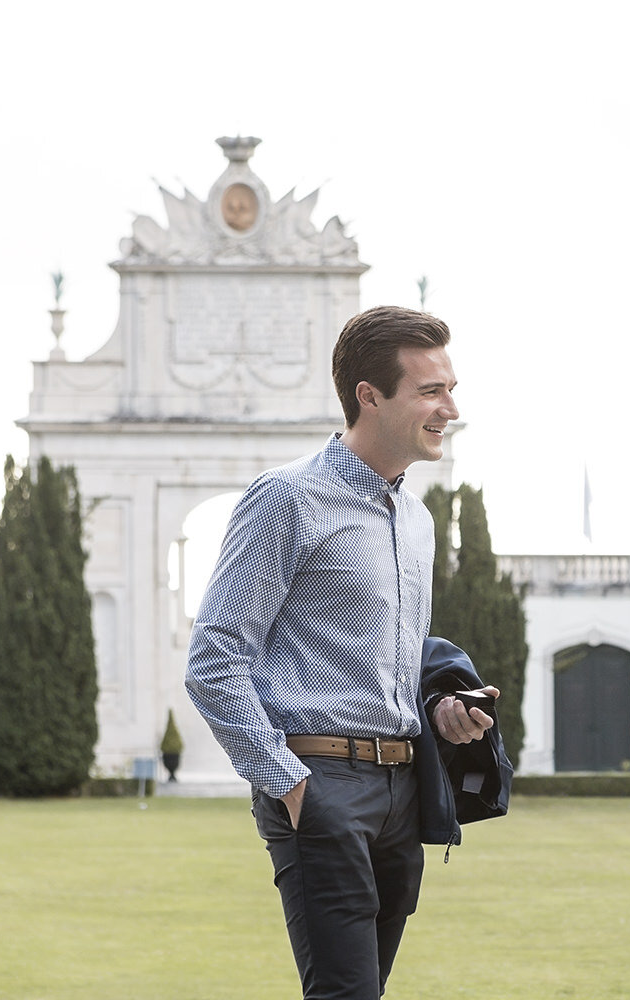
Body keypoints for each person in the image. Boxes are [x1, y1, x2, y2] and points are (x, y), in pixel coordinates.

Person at [186, 305, 507, 1000]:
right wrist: (293, 785)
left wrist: (444, 707)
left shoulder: (415, 519)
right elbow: (215, 658)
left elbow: (397, 658)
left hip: (403, 787)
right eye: (430, 391)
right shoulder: (288, 499)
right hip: (321, 780)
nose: (450, 407)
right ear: (369, 395)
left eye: (449, 388)